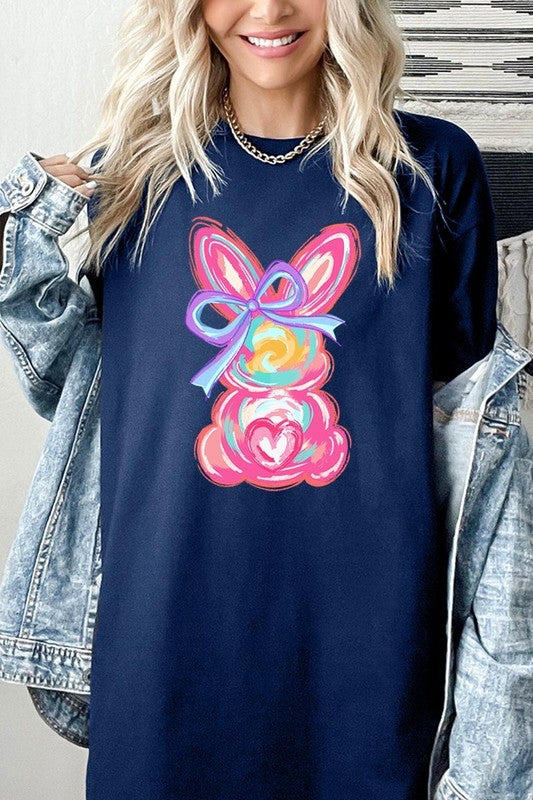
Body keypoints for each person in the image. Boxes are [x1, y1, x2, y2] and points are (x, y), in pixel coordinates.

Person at [33, 1, 499, 798]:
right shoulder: (129, 177)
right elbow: (72, 393)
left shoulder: (431, 169)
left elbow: (476, 436)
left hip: (368, 645)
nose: (271, 8)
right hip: (164, 643)